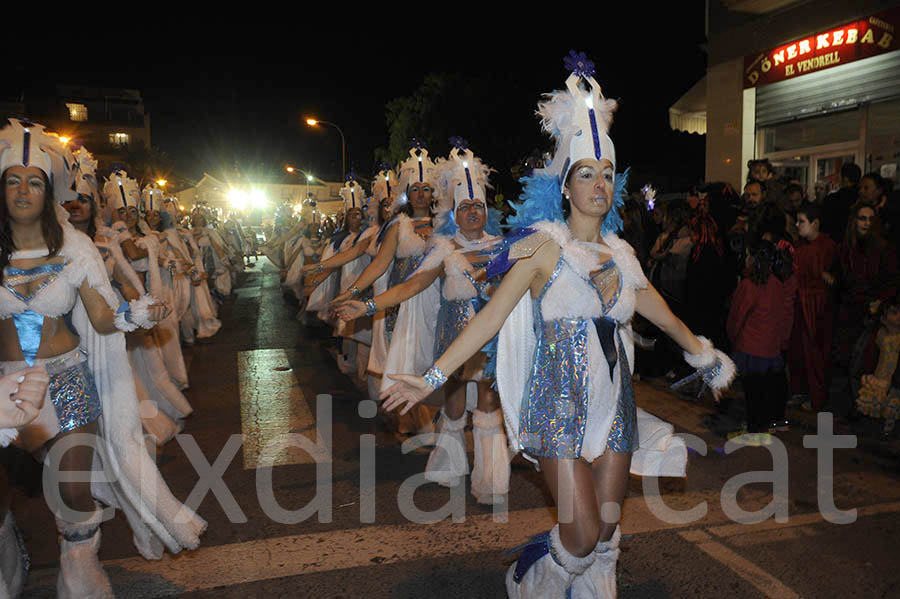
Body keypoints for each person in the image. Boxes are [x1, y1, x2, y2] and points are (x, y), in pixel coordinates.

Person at [379, 55, 734, 598]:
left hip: (614, 403)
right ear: (566, 186)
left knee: (608, 530)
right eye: (587, 174)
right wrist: (430, 378)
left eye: (608, 174)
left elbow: (660, 311)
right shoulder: (543, 246)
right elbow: (493, 317)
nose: (600, 184)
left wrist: (702, 355)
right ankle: (531, 580)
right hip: (558, 403)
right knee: (583, 529)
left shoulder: (621, 253)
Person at [0, 119, 205, 598]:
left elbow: (101, 317)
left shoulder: (76, 248)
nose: (24, 191)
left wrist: (135, 313)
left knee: (70, 488)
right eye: (13, 180)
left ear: (49, 190)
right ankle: (8, 556)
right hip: (5, 387)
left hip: (67, 381)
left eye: (35, 181)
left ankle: (79, 573)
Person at [337, 141, 509, 504]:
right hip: (454, 342)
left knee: (489, 404)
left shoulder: (504, 248)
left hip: (492, 343)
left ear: (486, 210)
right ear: (454, 213)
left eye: (478, 205)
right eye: (465, 207)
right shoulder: (442, 248)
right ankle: (448, 467)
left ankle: (491, 482)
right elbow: (411, 285)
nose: (473, 212)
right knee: (456, 404)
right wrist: (365, 306)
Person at [330, 142, 440, 434]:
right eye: (414, 189)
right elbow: (378, 265)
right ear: (407, 192)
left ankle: (429, 417)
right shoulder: (397, 226)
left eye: (425, 188)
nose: (420, 194)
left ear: (433, 193)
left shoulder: (444, 225)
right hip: (400, 303)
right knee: (404, 358)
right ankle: (412, 419)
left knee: (431, 361)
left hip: (436, 303)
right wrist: (351, 292)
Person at [726, 239, 795, 437]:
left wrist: (733, 337)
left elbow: (737, 316)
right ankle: (772, 421)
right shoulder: (777, 284)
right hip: (771, 347)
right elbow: (784, 314)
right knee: (769, 387)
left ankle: (755, 428)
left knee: (753, 391)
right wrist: (782, 340)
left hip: (750, 346)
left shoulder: (749, 285)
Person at [788, 202, 837, 412]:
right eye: (797, 221)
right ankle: (800, 391)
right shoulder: (800, 247)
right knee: (797, 351)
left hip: (817, 308)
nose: (798, 225)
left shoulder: (827, 247)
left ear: (815, 223)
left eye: (802, 221)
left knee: (815, 353)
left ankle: (816, 397)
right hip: (801, 305)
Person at [855, 298, 900, 437]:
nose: (899, 316)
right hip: (881, 372)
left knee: (893, 400)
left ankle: (889, 427)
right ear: (884, 318)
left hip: (894, 374)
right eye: (894, 313)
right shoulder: (880, 334)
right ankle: (876, 426)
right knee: (878, 399)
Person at [821, 162, 861, 244]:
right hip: (858, 242)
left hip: (835, 242)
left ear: (845, 178)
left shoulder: (832, 199)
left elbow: (825, 225)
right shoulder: (862, 198)